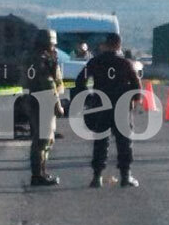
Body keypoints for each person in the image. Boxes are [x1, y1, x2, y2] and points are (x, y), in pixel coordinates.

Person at [75, 32, 142, 187]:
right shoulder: (126, 64)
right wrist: (133, 101)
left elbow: (80, 82)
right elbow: (137, 86)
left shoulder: (94, 62)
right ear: (118, 45)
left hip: (100, 106)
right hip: (121, 107)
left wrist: (88, 98)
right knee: (124, 142)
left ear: (105, 45)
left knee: (100, 141)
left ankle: (97, 177)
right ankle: (126, 176)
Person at [23, 28, 65, 186]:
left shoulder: (32, 57)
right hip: (43, 102)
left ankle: (41, 172)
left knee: (44, 139)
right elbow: (48, 84)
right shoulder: (41, 60)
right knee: (43, 140)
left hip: (34, 101)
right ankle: (38, 175)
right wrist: (58, 106)